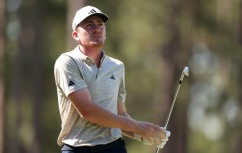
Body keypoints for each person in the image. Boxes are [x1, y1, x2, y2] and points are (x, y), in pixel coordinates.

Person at [54, 5, 170, 153]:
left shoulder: (117, 66)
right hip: (78, 147)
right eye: (89, 25)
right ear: (76, 35)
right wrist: (138, 127)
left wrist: (144, 134)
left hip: (114, 147)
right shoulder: (68, 62)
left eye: (100, 24)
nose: (97, 29)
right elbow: (87, 111)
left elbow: (119, 115)